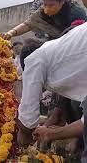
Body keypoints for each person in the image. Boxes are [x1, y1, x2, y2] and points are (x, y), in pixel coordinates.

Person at [16, 23, 87, 162]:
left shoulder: (34, 59)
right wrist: (50, 133)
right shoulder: (64, 62)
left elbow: (27, 120)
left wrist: (23, 135)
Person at [4, 0, 87, 41]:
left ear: (62, 1)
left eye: (51, 5)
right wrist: (11, 32)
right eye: (45, 4)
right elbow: (28, 24)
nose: (47, 8)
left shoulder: (76, 12)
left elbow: (80, 37)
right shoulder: (42, 11)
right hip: (53, 43)